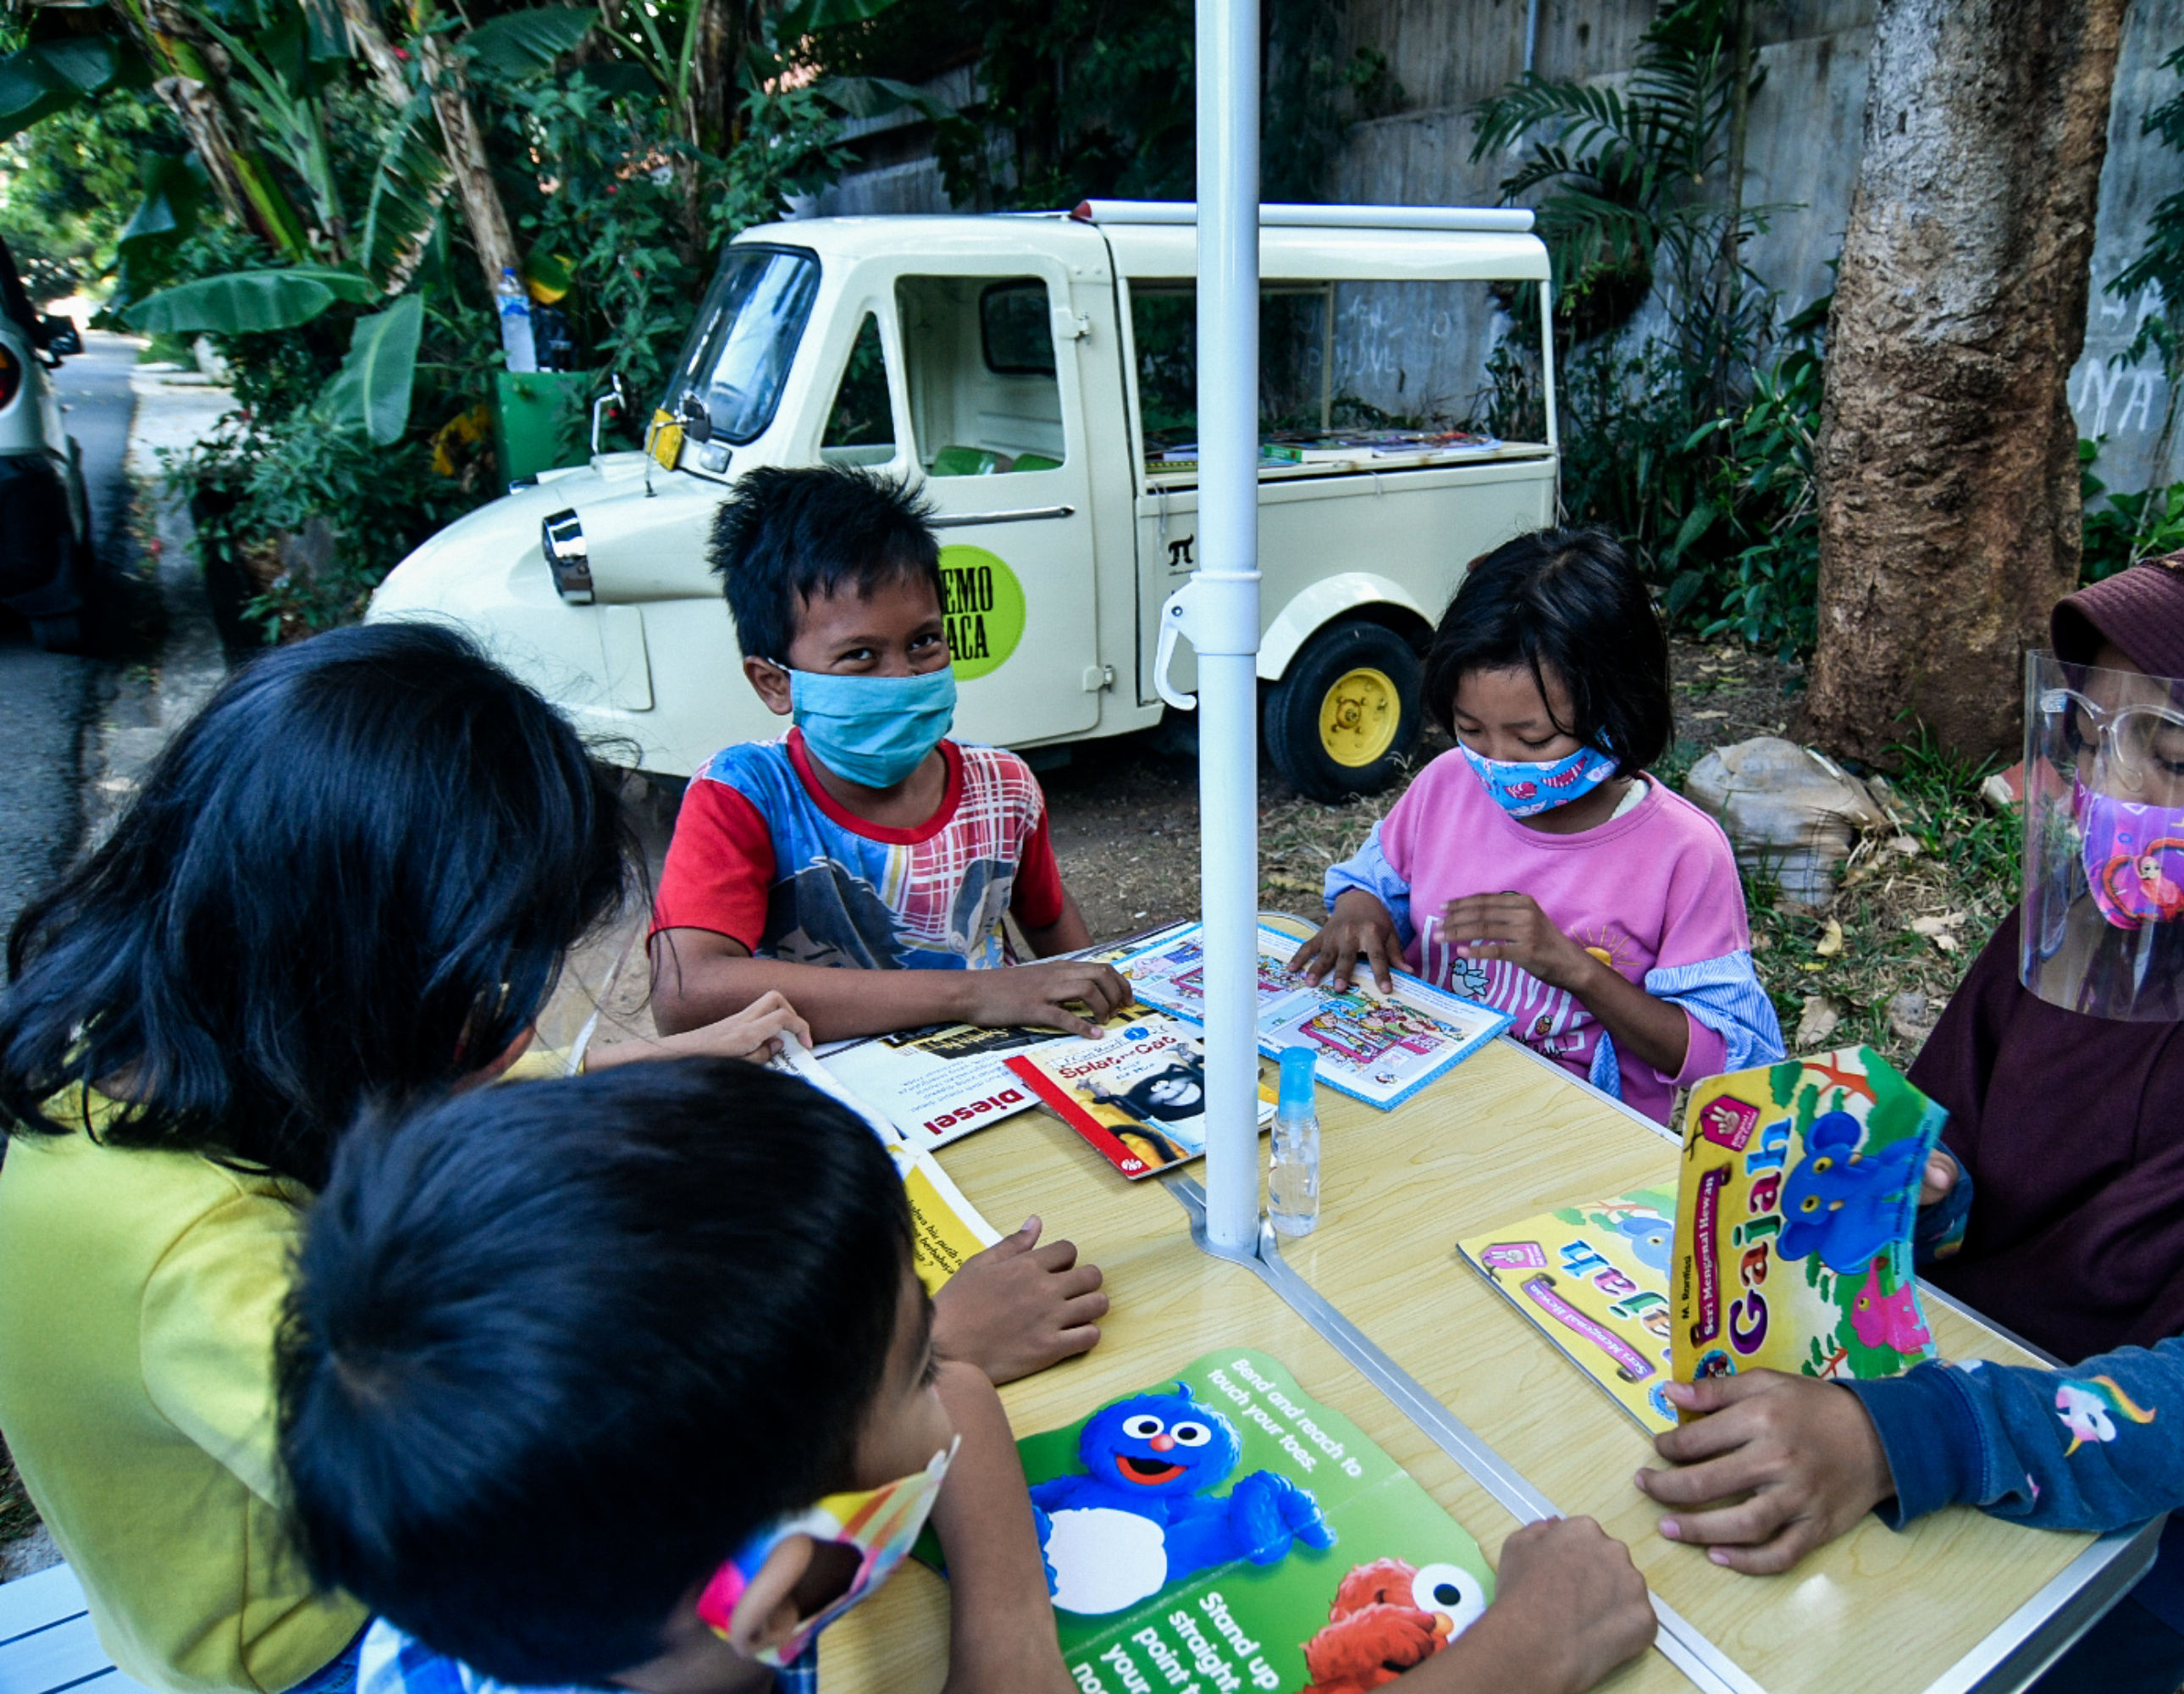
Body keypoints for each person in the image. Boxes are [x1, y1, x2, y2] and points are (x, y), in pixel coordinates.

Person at [0, 625, 1089, 1694]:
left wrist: (664, 1059)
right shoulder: (192, 1256)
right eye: (483, 989)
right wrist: (917, 1349)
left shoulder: (207, 1031)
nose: (518, 1031)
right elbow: (529, 1486)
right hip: (330, 1633)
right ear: (343, 976)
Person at [1628, 520, 2184, 1694]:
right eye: (2095, 738)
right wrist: (1924, 1189)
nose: (2116, 794)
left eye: (2179, 754)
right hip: (1907, 1424)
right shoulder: (2108, 914)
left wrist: (1906, 1440)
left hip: (2134, 1533)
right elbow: (1966, 1143)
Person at [278, 1060, 1664, 1694]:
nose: (948, 1362)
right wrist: (1524, 1654)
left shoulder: (646, 1590)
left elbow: (969, 1409)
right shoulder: (744, 1584)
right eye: (911, 1355)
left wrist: (1006, 1635)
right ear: (779, 1567)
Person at [1291, 528, 1783, 1125]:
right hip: (1421, 1104)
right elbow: (1374, 881)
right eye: (1471, 729)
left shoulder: (1683, 851)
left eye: (1533, 739)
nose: (1498, 761)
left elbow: (1726, 1060)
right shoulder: (1448, 784)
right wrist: (1359, 908)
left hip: (1571, 1136)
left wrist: (1575, 969)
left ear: (1618, 706)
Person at [649, 467, 1131, 1044]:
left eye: (924, 642)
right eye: (860, 655)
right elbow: (685, 994)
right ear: (775, 683)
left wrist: (1111, 1021)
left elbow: (1050, 922)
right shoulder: (745, 795)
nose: (901, 677)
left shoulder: (1004, 787)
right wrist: (971, 994)